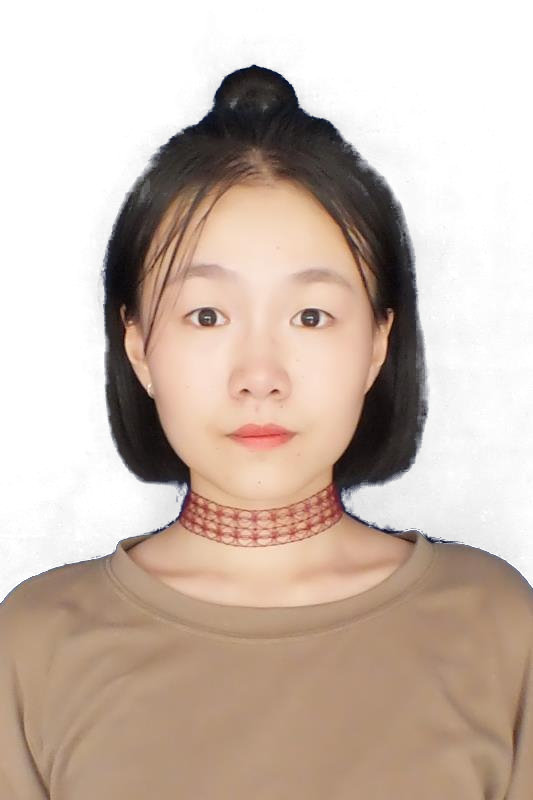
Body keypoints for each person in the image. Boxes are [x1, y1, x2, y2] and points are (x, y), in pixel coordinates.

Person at [1, 65, 532, 799]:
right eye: (206, 315)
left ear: (378, 343)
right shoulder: (33, 645)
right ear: (138, 347)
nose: (259, 375)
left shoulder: (496, 626)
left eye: (310, 316)